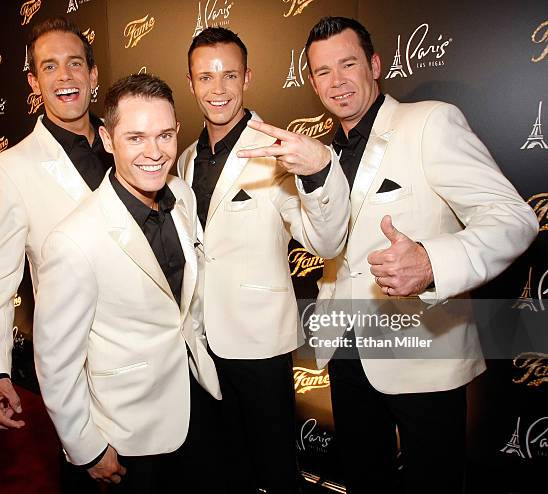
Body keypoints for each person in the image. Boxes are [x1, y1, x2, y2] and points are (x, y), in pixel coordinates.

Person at [301, 16, 539, 494]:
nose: (337, 81)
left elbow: (515, 217)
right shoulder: (321, 154)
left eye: (348, 64)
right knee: (366, 482)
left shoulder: (430, 122)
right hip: (346, 352)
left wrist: (432, 262)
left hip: (423, 349)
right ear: (311, 82)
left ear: (374, 65)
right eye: (323, 71)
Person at [178, 27, 350, 493]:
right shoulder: (186, 159)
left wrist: (316, 174)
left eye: (230, 75)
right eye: (206, 77)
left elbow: (326, 242)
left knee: (274, 470)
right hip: (200, 343)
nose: (218, 89)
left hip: (260, 344)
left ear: (248, 77)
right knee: (224, 465)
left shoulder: (279, 154)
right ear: (191, 82)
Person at [33, 74, 222, 493]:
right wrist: (86, 447)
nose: (155, 153)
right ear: (106, 138)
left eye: (165, 135)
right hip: (132, 431)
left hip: (200, 402)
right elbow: (56, 362)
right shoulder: (74, 240)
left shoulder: (182, 197)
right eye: (136, 138)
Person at [0, 16, 111, 492]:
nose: (65, 76)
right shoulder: (10, 170)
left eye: (75, 64)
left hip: (158, 367)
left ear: (93, 74)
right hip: (81, 374)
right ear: (34, 82)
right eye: (50, 67)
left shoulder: (134, 144)